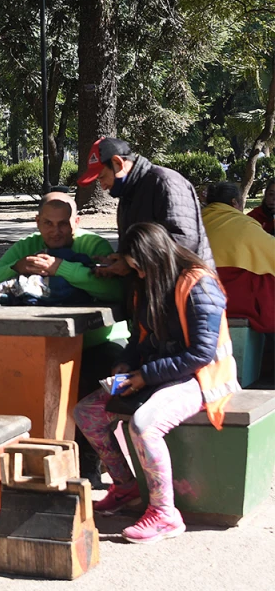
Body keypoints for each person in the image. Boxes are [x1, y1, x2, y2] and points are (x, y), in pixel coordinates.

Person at [73, 223, 239, 544]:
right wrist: (127, 363)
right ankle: (125, 487)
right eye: (135, 269)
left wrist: (145, 376)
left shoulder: (199, 285)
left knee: (144, 425)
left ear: (157, 258)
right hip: (160, 373)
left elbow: (202, 353)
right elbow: (140, 337)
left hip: (201, 378)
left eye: (142, 267)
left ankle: (165, 514)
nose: (141, 275)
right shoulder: (147, 282)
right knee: (87, 412)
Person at [0, 192, 127, 483]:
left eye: (63, 224)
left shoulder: (92, 245)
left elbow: (115, 292)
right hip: (41, 345)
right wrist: (15, 268)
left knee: (87, 380)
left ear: (76, 222)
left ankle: (88, 466)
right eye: (48, 223)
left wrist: (61, 268)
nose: (55, 231)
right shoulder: (26, 247)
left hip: (97, 342)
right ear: (37, 222)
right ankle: (26, 464)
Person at [78, 137, 214, 274]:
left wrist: (131, 262)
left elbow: (184, 243)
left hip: (185, 288)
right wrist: (118, 259)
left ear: (118, 163)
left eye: (102, 177)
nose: (102, 186)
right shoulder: (128, 194)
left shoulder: (165, 183)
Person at [201, 182, 275, 333]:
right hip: (232, 299)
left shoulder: (195, 222)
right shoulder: (246, 224)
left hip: (197, 294)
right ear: (235, 203)